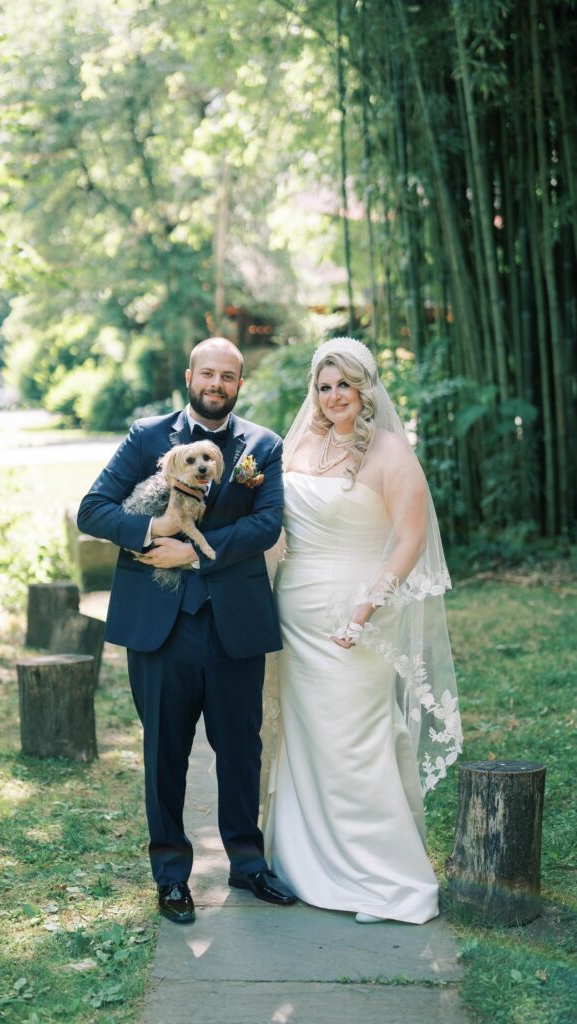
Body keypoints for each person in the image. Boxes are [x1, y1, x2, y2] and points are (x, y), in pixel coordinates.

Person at [77, 337, 296, 924]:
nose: (216, 383)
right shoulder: (147, 436)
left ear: (239, 384)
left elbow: (266, 525)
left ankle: (248, 865)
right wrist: (156, 532)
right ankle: (172, 876)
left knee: (240, 750)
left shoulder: (262, 447)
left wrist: (194, 556)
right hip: (161, 626)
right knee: (164, 753)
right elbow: (92, 510)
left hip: (234, 622)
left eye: (228, 375)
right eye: (207, 373)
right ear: (189, 375)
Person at [262, 336, 462, 924]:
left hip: (357, 616)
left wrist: (365, 611)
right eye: (323, 388)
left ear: (365, 387)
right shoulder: (297, 443)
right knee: (304, 739)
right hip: (292, 612)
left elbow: (410, 541)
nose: (331, 398)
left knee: (355, 740)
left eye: (343, 385)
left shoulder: (392, 453)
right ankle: (305, 864)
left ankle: (385, 874)